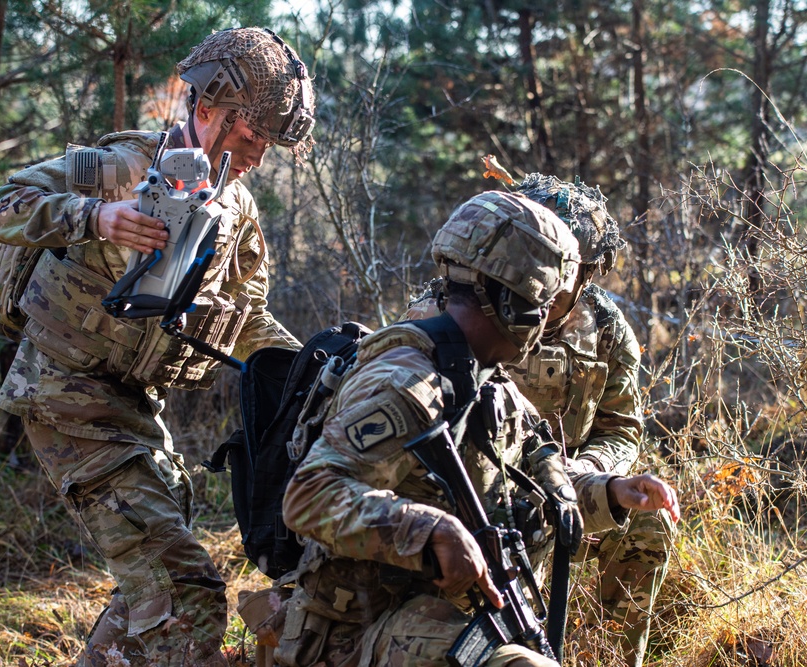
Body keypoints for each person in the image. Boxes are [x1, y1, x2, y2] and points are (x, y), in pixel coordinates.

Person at [0, 27, 314, 667]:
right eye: (250, 139)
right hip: (64, 397)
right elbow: (1, 205)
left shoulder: (235, 209)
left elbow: (250, 318)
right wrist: (94, 217)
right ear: (209, 110)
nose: (257, 158)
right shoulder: (126, 165)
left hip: (133, 407)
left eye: (268, 145)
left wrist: (312, 373)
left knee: (153, 576)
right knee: (182, 588)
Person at [275, 190, 680, 667]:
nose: (550, 322)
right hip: (358, 630)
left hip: (442, 614)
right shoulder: (408, 382)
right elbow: (308, 495)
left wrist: (609, 490)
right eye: (543, 306)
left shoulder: (488, 380)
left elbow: (533, 478)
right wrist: (431, 532)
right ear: (511, 306)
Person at [509, 174, 676, 667]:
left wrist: (592, 476)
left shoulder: (606, 331)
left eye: (568, 267)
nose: (552, 279)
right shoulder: (465, 305)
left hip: (577, 492)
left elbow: (621, 428)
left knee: (648, 523)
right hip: (479, 495)